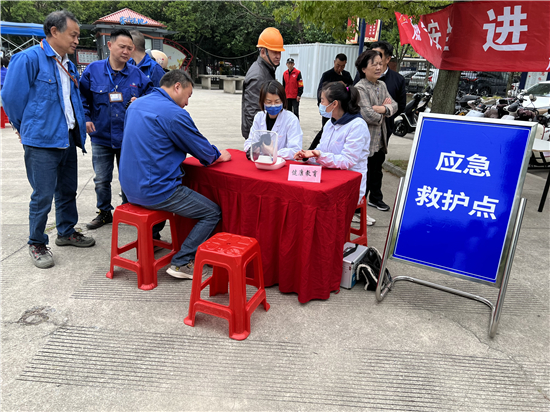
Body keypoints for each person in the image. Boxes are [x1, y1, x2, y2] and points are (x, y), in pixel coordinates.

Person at [1, 10, 95, 269]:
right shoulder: (28, 59)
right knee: (42, 194)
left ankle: (66, 232)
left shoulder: (69, 64)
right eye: (73, 34)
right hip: (41, 141)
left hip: (66, 136)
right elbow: (10, 98)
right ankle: (37, 242)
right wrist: (24, 127)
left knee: (67, 190)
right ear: (54, 31)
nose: (77, 40)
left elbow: (71, 100)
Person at [119, 69, 232, 279]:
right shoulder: (173, 113)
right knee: (212, 212)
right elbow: (206, 154)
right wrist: (221, 155)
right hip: (154, 190)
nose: (187, 103)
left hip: (128, 187)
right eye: (188, 96)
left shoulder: (136, 104)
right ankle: (182, 262)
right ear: (177, 86)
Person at [79, 28, 154, 230]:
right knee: (101, 179)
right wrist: (85, 118)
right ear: (110, 45)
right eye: (122, 46)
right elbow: (82, 98)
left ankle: (127, 211)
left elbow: (152, 95)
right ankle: (104, 213)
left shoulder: (137, 75)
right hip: (101, 136)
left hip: (128, 137)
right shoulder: (93, 70)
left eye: (130, 48)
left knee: (128, 177)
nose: (126, 51)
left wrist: (141, 101)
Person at [294, 81, 370, 205]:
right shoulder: (330, 123)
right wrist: (308, 156)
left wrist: (319, 155)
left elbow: (348, 160)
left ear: (334, 104)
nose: (320, 105)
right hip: (328, 176)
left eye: (322, 101)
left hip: (348, 183)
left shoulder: (357, 126)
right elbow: (321, 149)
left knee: (314, 202)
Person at [355, 50, 398, 220]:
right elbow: (367, 115)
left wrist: (381, 108)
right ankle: (356, 211)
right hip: (366, 141)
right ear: (364, 68)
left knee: (374, 174)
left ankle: (364, 207)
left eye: (380, 63)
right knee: (362, 178)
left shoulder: (382, 86)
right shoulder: (360, 88)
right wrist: (384, 111)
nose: (379, 67)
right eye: (375, 64)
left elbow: (393, 105)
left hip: (380, 140)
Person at [241, 27, 285, 139]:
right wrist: (261, 139)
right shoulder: (259, 76)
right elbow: (253, 112)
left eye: (279, 52)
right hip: (259, 136)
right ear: (263, 52)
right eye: (274, 52)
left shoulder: (266, 70)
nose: (278, 56)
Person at [244, 80, 302, 161]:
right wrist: (252, 149)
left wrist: (274, 153)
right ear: (263, 101)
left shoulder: (291, 120)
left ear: (283, 101)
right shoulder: (259, 117)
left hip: (282, 164)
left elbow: (296, 150)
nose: (273, 105)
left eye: (277, 101)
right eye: (269, 102)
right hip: (261, 161)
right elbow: (250, 141)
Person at [308, 54, 354, 150]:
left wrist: (345, 86)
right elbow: (320, 91)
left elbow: (352, 90)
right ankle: (312, 149)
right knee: (325, 129)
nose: (340, 68)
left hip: (341, 110)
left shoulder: (346, 75)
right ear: (334, 62)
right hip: (329, 108)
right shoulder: (327, 75)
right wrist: (322, 105)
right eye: (338, 65)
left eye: (342, 66)